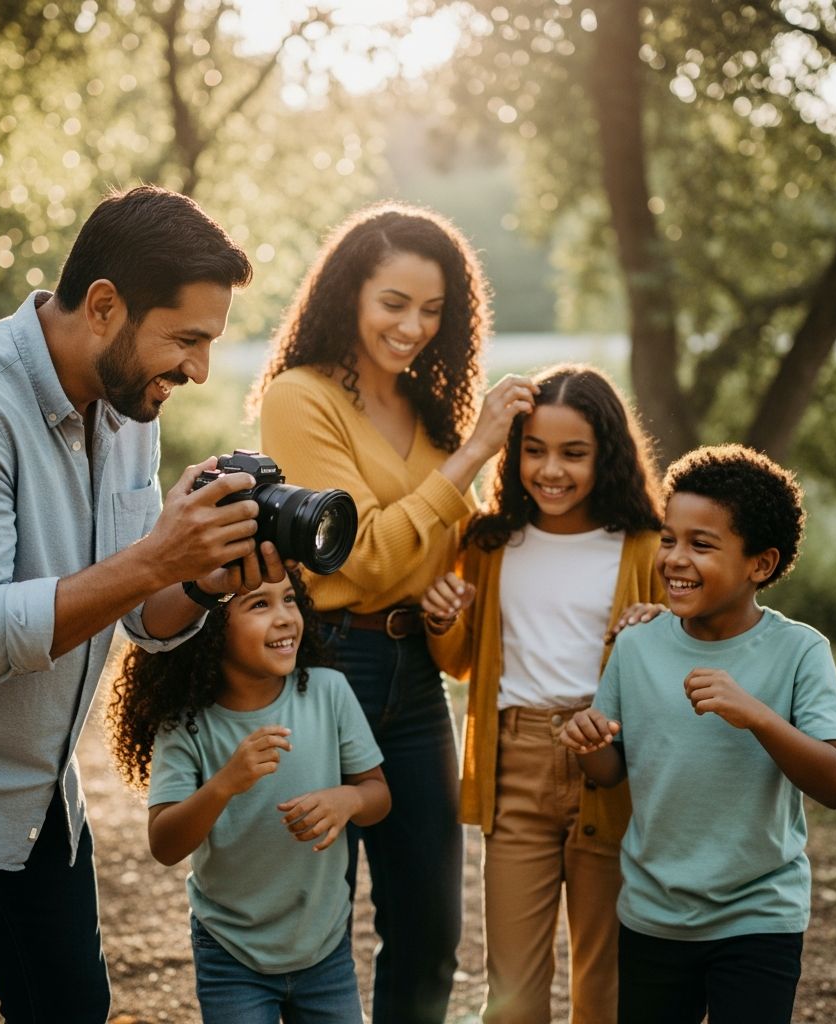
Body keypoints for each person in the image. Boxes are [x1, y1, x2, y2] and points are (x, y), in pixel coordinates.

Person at [0, 184, 284, 1023]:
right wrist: (153, 558)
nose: (197, 370)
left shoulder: (130, 406)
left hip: (44, 805)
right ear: (103, 305)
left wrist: (197, 579)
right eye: (186, 339)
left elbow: (138, 615)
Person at [251, 201, 537, 1024]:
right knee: (315, 921)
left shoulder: (435, 415)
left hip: (415, 682)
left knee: (430, 928)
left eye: (433, 310)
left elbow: (438, 568)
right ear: (349, 295)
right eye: (394, 303)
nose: (413, 326)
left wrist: (447, 600)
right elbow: (362, 553)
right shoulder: (300, 400)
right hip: (328, 665)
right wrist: (479, 451)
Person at [561, 443, 836, 1024]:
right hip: (654, 913)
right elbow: (612, 768)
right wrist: (589, 746)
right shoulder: (637, 645)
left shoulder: (800, 652)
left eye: (701, 545)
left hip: (760, 913)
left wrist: (759, 716)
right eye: (668, 539)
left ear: (760, 564)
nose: (673, 558)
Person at [421, 362, 665, 1024]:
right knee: (514, 990)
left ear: (605, 455)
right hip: (516, 767)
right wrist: (442, 620)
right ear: (514, 452)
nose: (550, 469)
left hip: (612, 769)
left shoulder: (644, 545)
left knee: (604, 979)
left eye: (573, 453)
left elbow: (679, 653)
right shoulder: (491, 542)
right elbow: (465, 661)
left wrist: (659, 624)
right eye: (534, 450)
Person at [107, 567, 391, 1023]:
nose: (283, 617)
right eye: (259, 604)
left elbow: (378, 794)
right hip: (230, 953)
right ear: (210, 627)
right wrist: (224, 783)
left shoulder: (327, 693)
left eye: (290, 599)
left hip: (324, 948)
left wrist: (348, 800)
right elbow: (164, 843)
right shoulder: (186, 725)